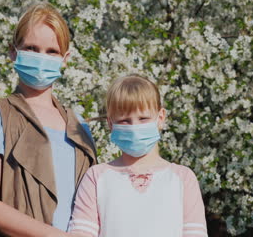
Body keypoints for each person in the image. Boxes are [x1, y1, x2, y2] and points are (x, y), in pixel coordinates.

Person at [0, 2, 97, 237]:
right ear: (13, 52)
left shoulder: (79, 123)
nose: (41, 58)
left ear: (65, 58)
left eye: (52, 51)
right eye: (31, 48)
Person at [67, 74, 208, 237]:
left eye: (143, 118)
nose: (134, 127)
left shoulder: (183, 178)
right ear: (111, 124)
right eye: (125, 121)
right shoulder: (96, 177)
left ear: (160, 118)